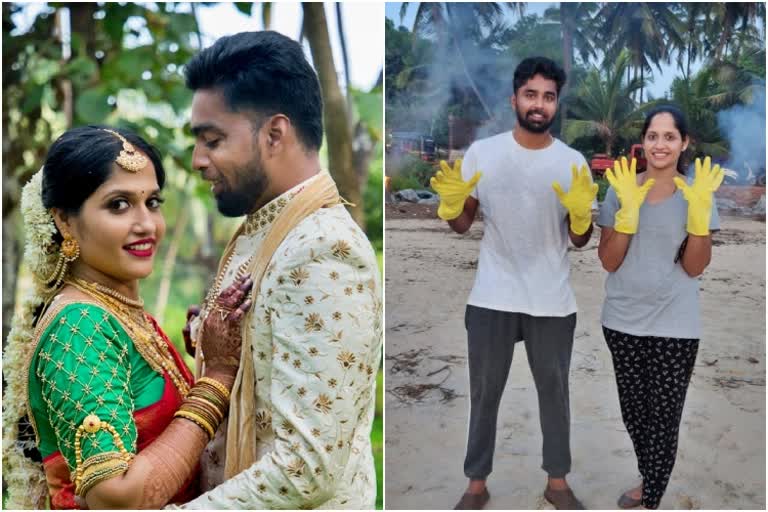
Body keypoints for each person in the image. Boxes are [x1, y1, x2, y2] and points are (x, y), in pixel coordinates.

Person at [175, 30, 382, 509]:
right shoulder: (264, 229)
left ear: (274, 134)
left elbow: (307, 468)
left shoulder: (323, 249)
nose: (198, 160)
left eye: (212, 140)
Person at [1, 126, 251, 509]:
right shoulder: (80, 325)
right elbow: (116, 498)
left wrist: (202, 357)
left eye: (152, 202)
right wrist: (216, 379)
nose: (147, 224)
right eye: (118, 204)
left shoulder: (118, 313)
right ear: (65, 222)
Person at [430, 56, 596, 510]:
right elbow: (464, 224)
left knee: (555, 395)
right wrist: (451, 206)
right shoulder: (484, 153)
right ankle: (476, 483)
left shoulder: (573, 161)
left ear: (556, 103)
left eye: (548, 97)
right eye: (531, 95)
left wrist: (582, 215)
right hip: (492, 295)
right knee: (484, 394)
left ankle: (557, 482)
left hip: (552, 299)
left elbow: (580, 239)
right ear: (514, 99)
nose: (539, 105)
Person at [597, 105, 723, 510]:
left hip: (676, 324)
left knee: (664, 420)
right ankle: (648, 477)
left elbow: (694, 266)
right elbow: (609, 260)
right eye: (653, 135)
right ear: (643, 141)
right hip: (622, 320)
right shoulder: (620, 187)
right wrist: (628, 215)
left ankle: (650, 496)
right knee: (635, 415)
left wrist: (699, 218)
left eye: (670, 137)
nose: (660, 144)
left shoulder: (696, 191)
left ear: (684, 143)